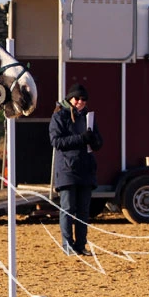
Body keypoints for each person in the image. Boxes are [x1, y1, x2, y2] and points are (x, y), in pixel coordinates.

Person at [49, 83, 103, 256]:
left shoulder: (88, 117)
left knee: (83, 210)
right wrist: (81, 138)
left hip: (86, 168)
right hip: (67, 169)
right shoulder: (59, 116)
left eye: (84, 99)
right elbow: (56, 141)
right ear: (69, 99)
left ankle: (81, 245)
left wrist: (94, 140)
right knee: (67, 208)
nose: (80, 102)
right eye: (77, 98)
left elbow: (99, 143)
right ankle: (67, 245)